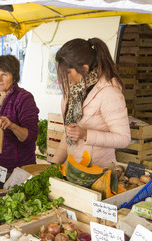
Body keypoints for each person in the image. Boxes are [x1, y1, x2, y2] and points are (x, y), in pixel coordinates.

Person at [51, 38, 131, 168]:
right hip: (73, 168)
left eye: (68, 73)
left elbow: (123, 139)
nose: (65, 78)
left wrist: (85, 134)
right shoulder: (72, 90)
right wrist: (54, 163)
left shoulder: (109, 92)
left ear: (84, 69)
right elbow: (68, 133)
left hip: (99, 171)